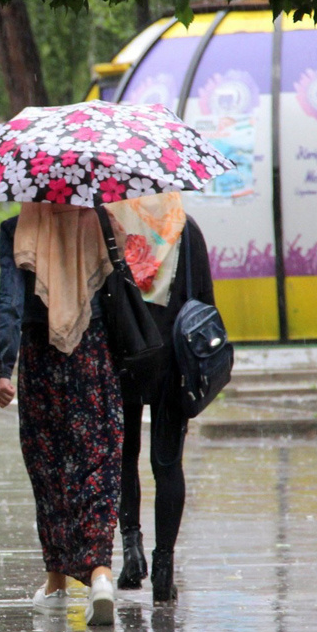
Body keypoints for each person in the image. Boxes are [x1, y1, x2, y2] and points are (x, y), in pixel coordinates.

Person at [0, 201, 123, 627]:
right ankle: (101, 575)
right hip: (93, 353)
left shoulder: (18, 228)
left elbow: (8, 300)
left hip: (39, 356)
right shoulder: (100, 221)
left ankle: (56, 585)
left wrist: (2, 368)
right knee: (97, 462)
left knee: (49, 467)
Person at [107, 193, 214, 604]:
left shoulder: (110, 226)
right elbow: (204, 304)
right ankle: (164, 569)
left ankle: (132, 554)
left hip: (123, 355)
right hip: (172, 359)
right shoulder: (187, 230)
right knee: (167, 464)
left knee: (123, 456)